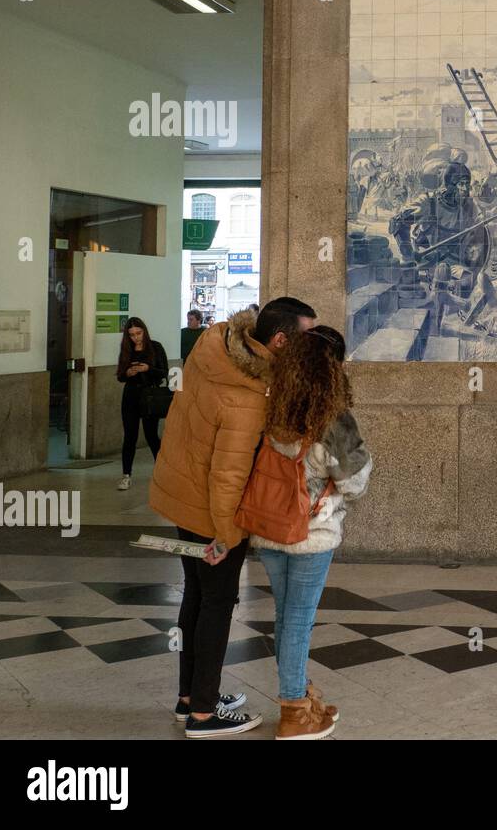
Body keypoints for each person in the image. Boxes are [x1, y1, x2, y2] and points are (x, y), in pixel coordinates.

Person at [149, 296, 317, 737]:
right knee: (218, 604)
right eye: (304, 340)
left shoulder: (215, 347)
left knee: (196, 598)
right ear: (280, 341)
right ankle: (204, 715)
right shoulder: (246, 395)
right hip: (211, 512)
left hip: (181, 494)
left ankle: (190, 698)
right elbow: (228, 476)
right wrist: (225, 536)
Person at [252, 326, 371, 740]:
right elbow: (354, 482)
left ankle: (300, 693)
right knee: (299, 621)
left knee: (286, 617)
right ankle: (293, 713)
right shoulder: (333, 417)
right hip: (311, 534)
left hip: (268, 529)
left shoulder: (273, 408)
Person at [115, 317, 168, 492]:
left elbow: (164, 372)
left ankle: (162, 473)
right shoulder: (126, 350)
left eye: (138, 333)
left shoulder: (155, 347)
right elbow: (120, 375)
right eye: (131, 335)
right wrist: (128, 372)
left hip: (149, 396)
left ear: (144, 331)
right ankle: (126, 475)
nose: (136, 338)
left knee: (151, 435)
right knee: (130, 437)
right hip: (131, 395)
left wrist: (148, 369)